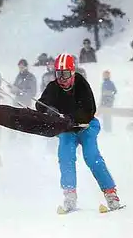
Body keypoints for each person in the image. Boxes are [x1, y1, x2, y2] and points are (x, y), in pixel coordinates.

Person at [36, 53, 122, 213]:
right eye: (58, 74)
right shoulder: (53, 87)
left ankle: (111, 193)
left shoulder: (81, 83)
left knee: (92, 157)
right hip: (67, 130)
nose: (62, 78)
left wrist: (72, 118)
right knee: (65, 157)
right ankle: (70, 195)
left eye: (66, 74)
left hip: (86, 127)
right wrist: (50, 111)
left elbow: (90, 109)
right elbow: (40, 105)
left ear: (73, 72)